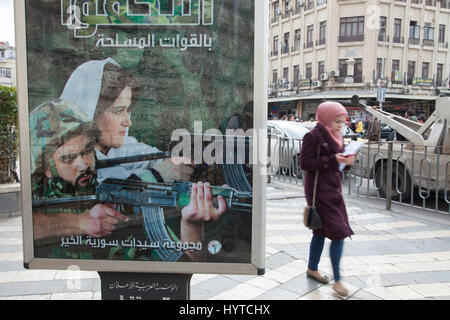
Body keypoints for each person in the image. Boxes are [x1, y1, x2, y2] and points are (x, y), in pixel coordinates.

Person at [59, 58, 193, 183]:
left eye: (127, 110)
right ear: (90, 112)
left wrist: (182, 164)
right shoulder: (67, 158)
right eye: (118, 111)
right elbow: (97, 191)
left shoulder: (120, 148)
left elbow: (157, 159)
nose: (128, 122)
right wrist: (156, 174)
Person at [299, 101, 355, 297]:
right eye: (336, 121)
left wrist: (346, 162)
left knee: (320, 232)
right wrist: (333, 160)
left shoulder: (337, 136)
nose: (340, 125)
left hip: (334, 189)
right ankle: (338, 281)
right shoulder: (313, 136)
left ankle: (312, 268)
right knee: (339, 234)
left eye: (342, 122)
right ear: (326, 119)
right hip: (319, 192)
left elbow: (336, 163)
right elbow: (305, 162)